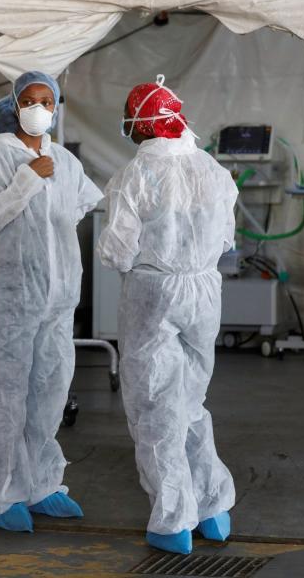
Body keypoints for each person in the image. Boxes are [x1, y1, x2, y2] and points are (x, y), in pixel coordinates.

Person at [97, 75, 237, 554]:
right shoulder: (213, 170)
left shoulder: (135, 175)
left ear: (141, 124)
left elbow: (116, 251)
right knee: (191, 400)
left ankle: (173, 520)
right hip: (204, 290)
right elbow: (226, 239)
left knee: (156, 405)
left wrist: (144, 263)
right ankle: (214, 507)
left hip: (153, 293)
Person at [0, 71, 103, 532]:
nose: (40, 108)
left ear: (56, 106)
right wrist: (26, 179)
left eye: (48, 100)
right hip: (15, 296)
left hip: (60, 296)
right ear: (15, 104)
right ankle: (4, 494)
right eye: (31, 100)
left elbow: (80, 207)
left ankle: (44, 483)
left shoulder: (65, 160)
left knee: (49, 390)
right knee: (7, 392)